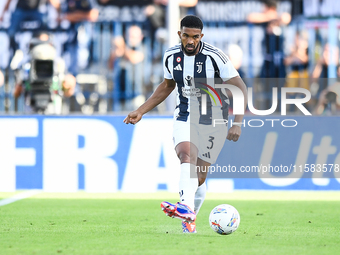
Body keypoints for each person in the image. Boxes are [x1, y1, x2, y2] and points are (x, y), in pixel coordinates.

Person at [124, 15, 247, 233]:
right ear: (179, 34)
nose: (190, 41)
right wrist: (141, 111)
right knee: (186, 155)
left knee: (198, 177)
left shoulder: (215, 57)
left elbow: (239, 87)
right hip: (184, 114)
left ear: (201, 36)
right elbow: (167, 85)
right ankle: (185, 208)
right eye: (186, 36)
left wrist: (237, 122)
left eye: (195, 37)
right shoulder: (171, 56)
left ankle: (189, 217)